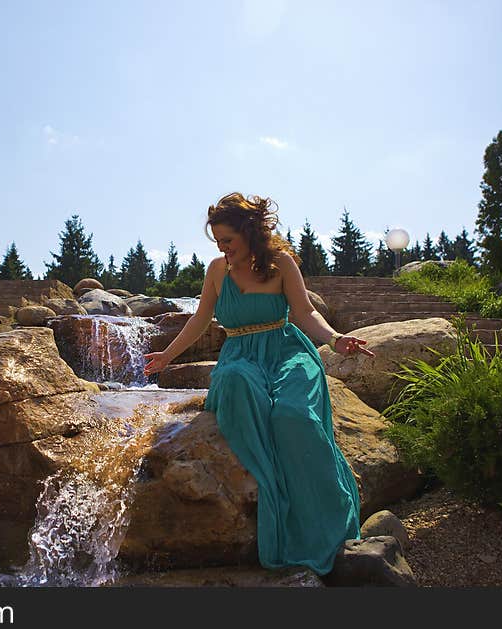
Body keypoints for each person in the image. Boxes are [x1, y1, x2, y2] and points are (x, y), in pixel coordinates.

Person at [143, 192, 375, 575]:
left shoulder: (281, 264)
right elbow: (200, 319)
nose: (222, 248)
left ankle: (323, 521)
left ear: (249, 233)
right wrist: (168, 356)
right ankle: (274, 498)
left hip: (285, 350)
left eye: (228, 240)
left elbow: (305, 312)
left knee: (293, 415)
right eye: (217, 241)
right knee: (236, 382)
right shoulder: (217, 270)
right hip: (240, 356)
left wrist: (335, 340)